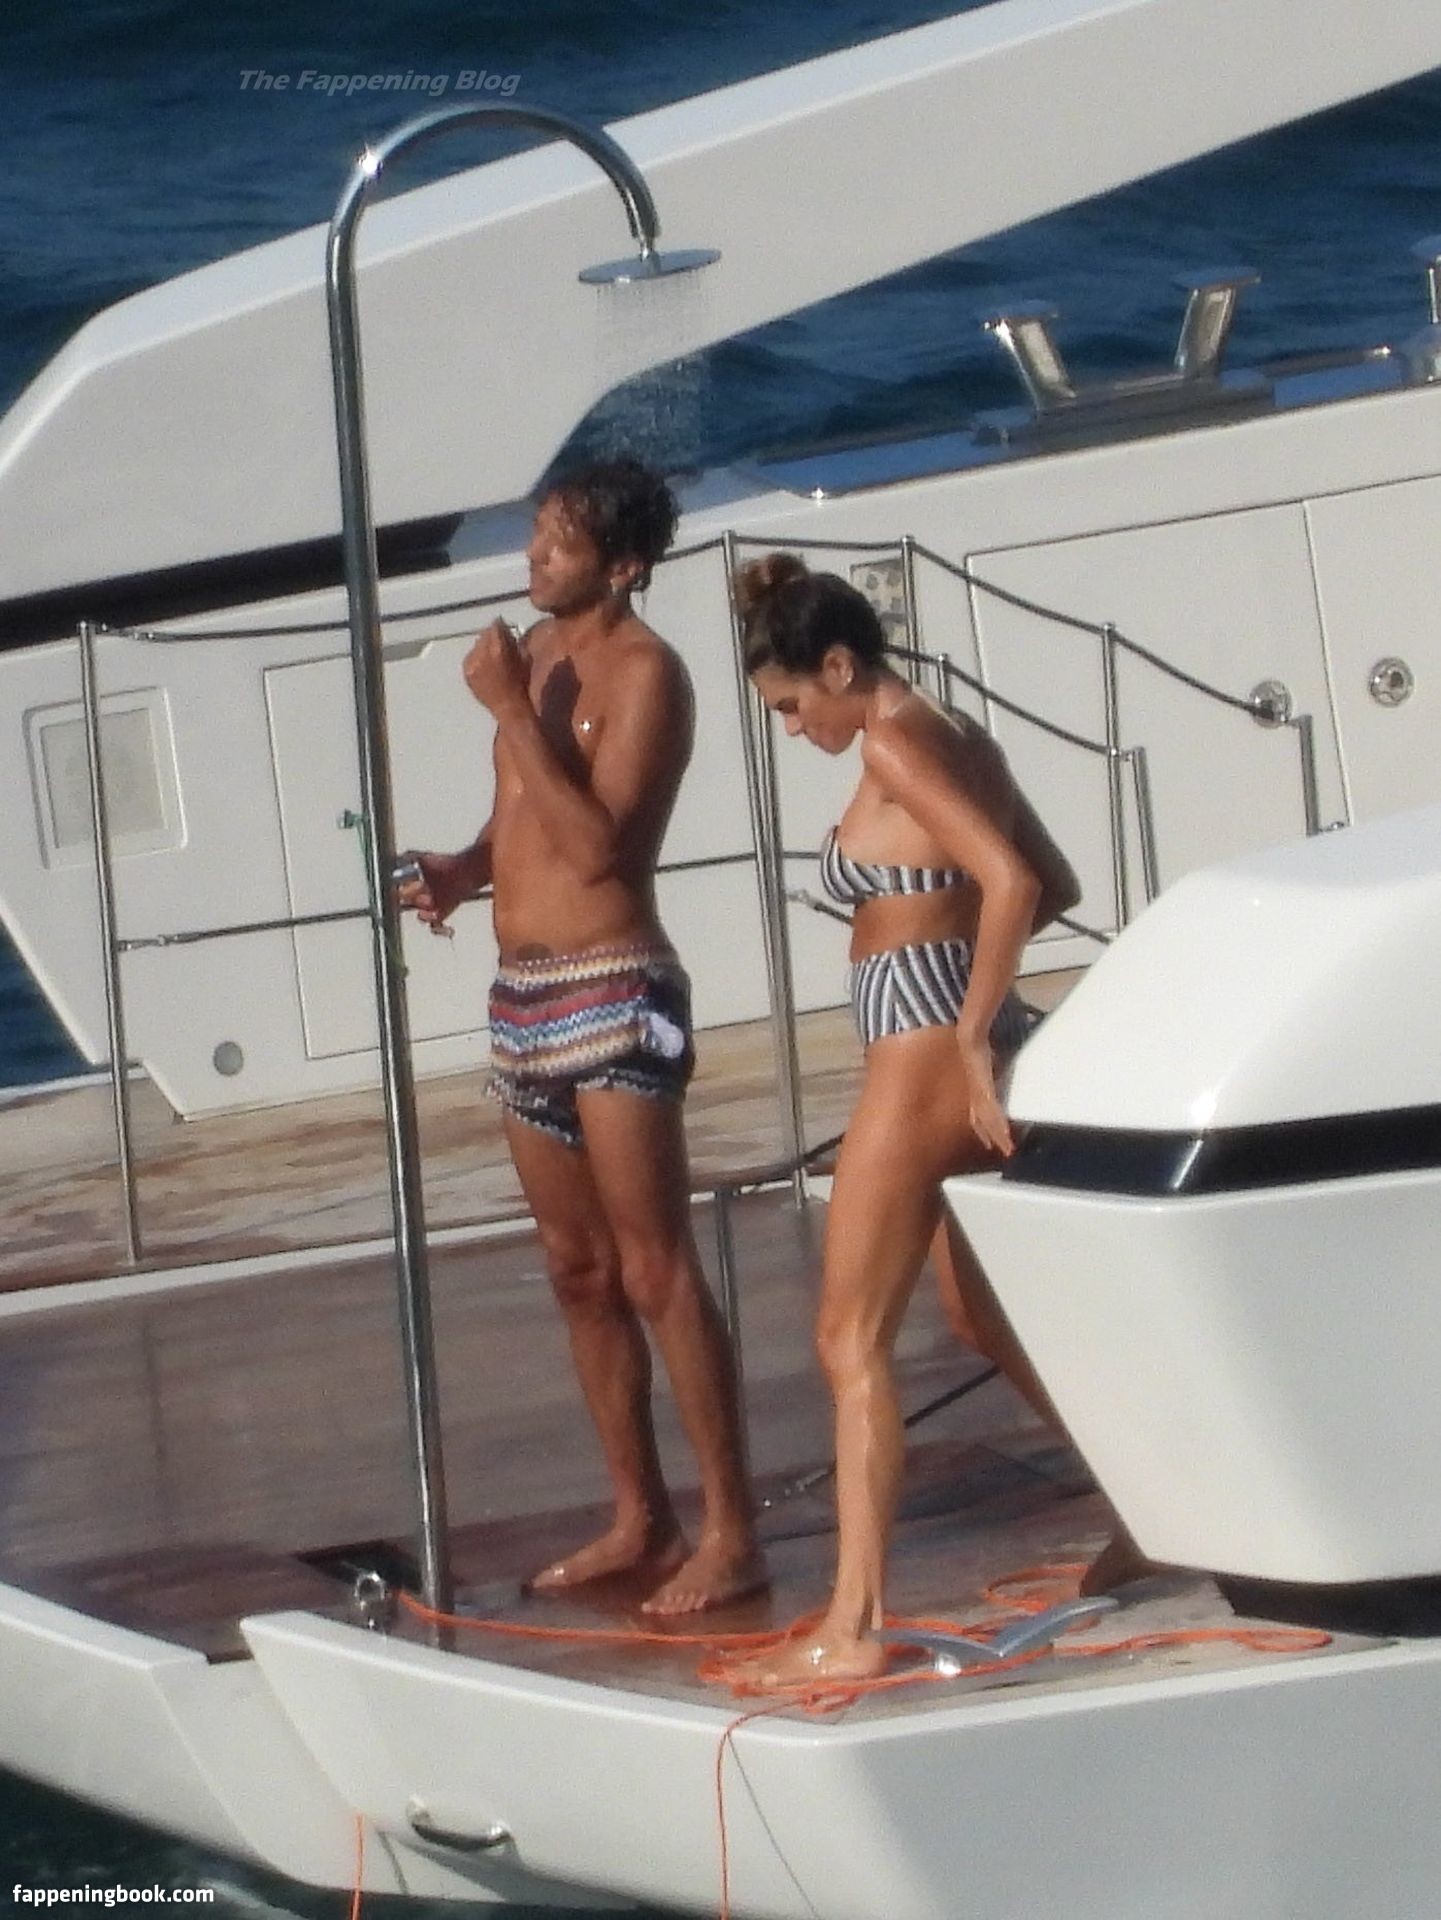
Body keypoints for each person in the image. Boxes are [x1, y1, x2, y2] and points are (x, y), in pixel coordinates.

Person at [403, 458, 763, 1616]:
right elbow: (525, 820)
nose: (531, 558)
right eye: (535, 537)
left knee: (655, 1266)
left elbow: (601, 847)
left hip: (615, 986)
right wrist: (464, 868)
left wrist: (510, 710)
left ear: (621, 566)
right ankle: (638, 1517)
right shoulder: (541, 657)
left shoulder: (646, 671)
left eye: (555, 544)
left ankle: (733, 1531)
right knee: (578, 1272)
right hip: (521, 997)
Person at [732, 551, 1081, 1682]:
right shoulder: (960, 734)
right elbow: (1055, 881)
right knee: (976, 1320)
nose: (795, 731)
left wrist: (967, 1031)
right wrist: (972, 978)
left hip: (926, 1052)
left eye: (793, 707)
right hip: (950, 1034)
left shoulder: (890, 744)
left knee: (849, 1339)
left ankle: (854, 1626)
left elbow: (1012, 884)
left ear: (838, 667)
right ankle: (1150, 1507)